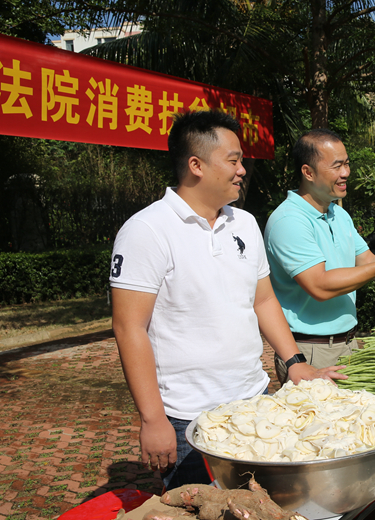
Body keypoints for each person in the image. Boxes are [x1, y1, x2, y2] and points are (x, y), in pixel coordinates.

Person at [109, 111, 346, 489]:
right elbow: (129, 327)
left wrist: (296, 362)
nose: (242, 170)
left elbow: (263, 301)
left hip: (255, 401)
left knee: (266, 505)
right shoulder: (147, 230)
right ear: (195, 165)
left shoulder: (244, 223)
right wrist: (153, 418)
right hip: (191, 416)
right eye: (233, 160)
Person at [264, 129, 375, 383]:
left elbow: (370, 263)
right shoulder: (289, 221)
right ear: (308, 172)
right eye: (337, 166)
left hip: (347, 344)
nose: (346, 172)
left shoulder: (339, 214)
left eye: (347, 163)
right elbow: (320, 285)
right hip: (310, 352)